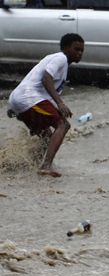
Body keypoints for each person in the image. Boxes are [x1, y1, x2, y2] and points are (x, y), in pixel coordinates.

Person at [6, 33, 84, 177]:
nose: (79, 53)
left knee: (47, 136)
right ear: (66, 48)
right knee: (63, 125)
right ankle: (46, 165)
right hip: (28, 98)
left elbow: (39, 86)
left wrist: (14, 108)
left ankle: (28, 163)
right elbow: (45, 79)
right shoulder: (60, 58)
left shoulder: (57, 62)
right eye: (76, 49)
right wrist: (60, 104)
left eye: (81, 51)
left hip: (21, 100)